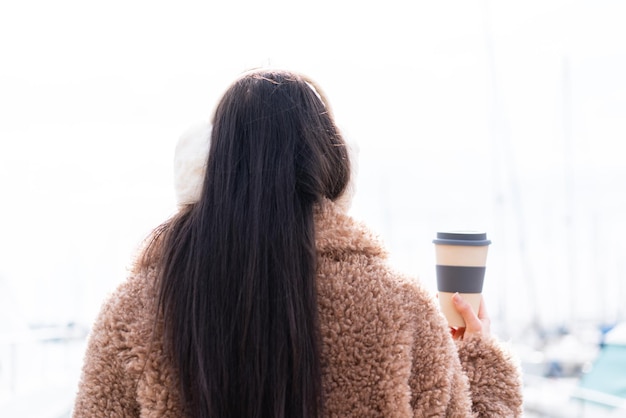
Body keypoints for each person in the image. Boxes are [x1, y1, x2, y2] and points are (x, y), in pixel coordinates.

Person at [73, 69, 523, 417]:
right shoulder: (400, 305)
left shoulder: (138, 307)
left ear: (205, 166)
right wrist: (480, 361)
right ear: (337, 168)